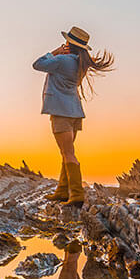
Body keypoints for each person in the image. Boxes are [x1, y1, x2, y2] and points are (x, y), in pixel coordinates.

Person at [32, 26, 114, 208]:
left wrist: (55, 52)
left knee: (68, 153)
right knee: (66, 152)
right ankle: (62, 191)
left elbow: (37, 64)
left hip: (60, 112)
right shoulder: (81, 64)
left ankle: (76, 194)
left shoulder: (61, 60)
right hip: (75, 112)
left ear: (69, 43)